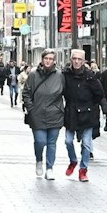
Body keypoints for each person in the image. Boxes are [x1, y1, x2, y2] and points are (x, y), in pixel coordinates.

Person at [60, 48, 106, 182]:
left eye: (79, 59)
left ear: (84, 61)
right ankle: (73, 161)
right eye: (74, 58)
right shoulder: (65, 74)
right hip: (71, 112)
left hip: (87, 113)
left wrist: (98, 107)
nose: (76, 61)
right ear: (71, 60)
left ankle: (83, 169)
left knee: (86, 144)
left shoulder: (90, 76)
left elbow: (99, 94)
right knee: (68, 141)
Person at [22, 50, 66, 180]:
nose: (48, 61)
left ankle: (50, 168)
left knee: (52, 143)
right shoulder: (33, 74)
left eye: (51, 59)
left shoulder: (59, 75)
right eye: (46, 58)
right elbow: (26, 92)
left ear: (54, 61)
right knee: (40, 141)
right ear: (42, 59)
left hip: (55, 114)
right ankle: (39, 160)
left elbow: (65, 92)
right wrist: (31, 109)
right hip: (38, 114)